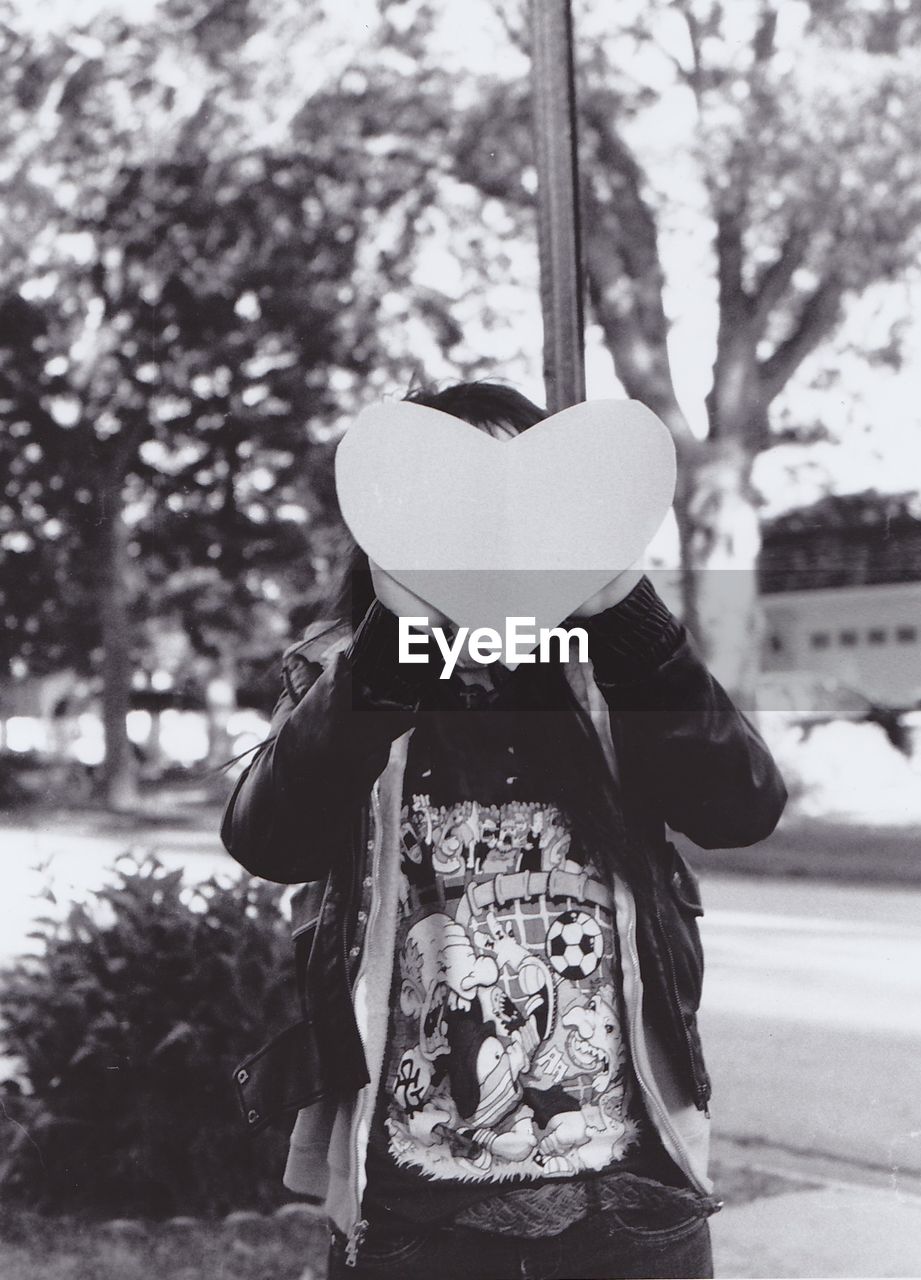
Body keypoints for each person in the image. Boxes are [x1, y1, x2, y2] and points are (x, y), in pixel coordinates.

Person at [222, 381, 787, 1280]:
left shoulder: (613, 670)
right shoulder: (347, 671)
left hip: (628, 1197)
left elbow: (742, 806)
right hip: (413, 1204)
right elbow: (270, 841)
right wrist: (387, 645)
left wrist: (625, 613)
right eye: (458, 511)